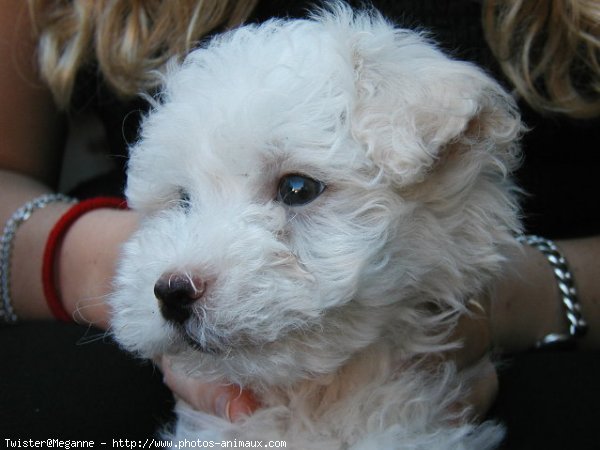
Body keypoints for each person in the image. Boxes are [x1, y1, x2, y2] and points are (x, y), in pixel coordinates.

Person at [0, 0, 598, 446]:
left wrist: (528, 295)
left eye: (296, 189)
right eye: (184, 201)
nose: (183, 265)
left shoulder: (404, 99)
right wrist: (84, 261)